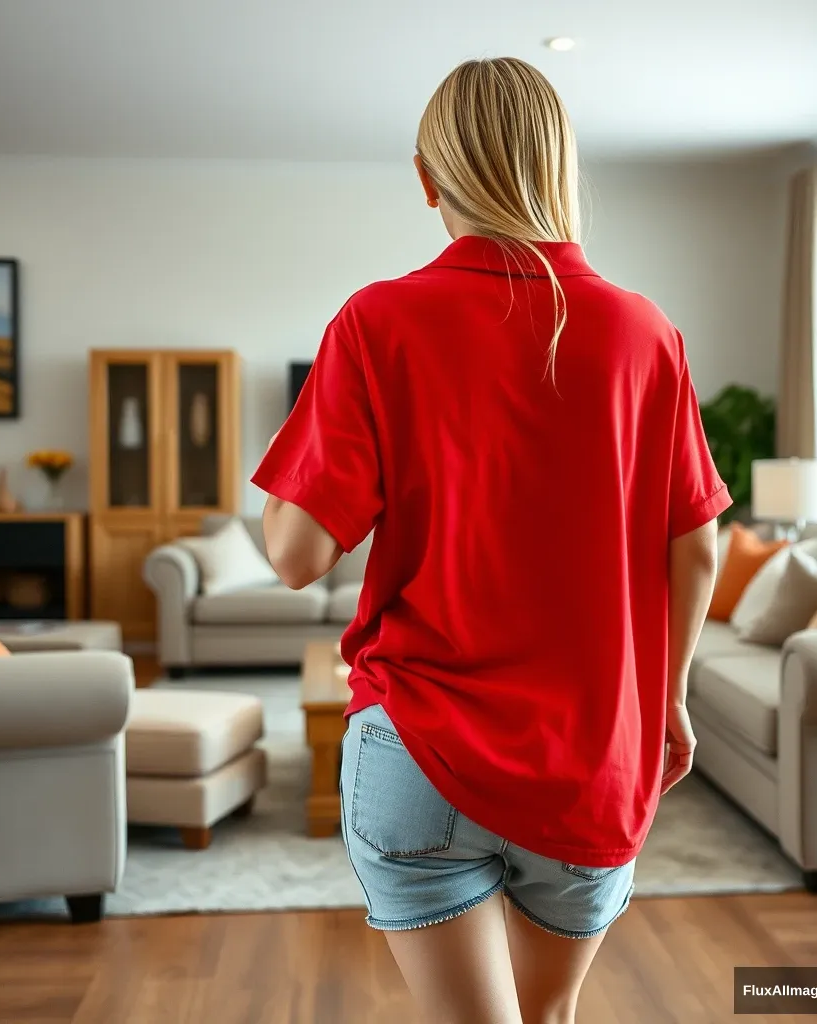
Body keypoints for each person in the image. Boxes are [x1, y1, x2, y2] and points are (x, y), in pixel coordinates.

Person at [252, 56, 730, 1024]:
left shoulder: (377, 320)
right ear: (559, 169)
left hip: (416, 749)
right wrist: (668, 700)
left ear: (428, 178)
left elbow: (296, 554)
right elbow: (699, 546)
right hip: (592, 759)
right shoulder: (644, 333)